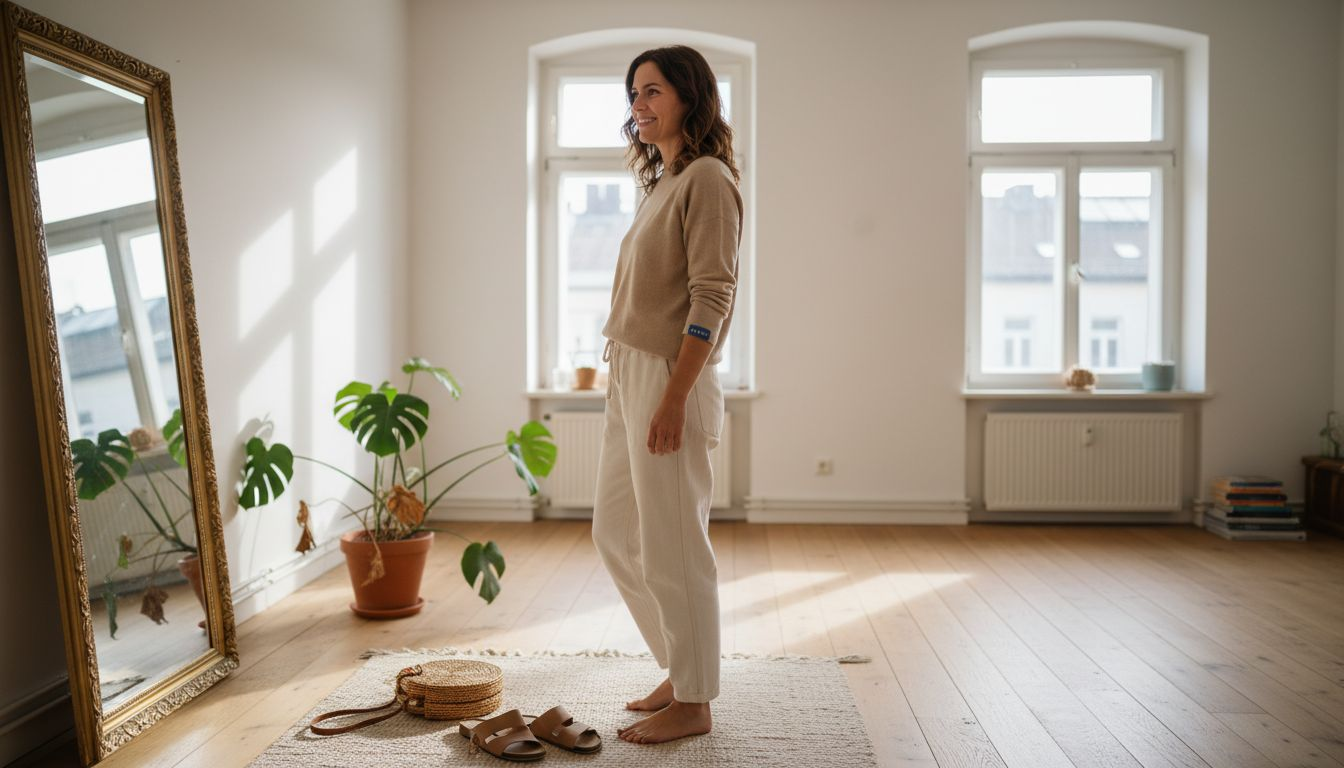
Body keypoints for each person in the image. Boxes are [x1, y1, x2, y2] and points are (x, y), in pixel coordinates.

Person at [591, 44, 743, 746]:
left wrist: (675, 395)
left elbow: (714, 293)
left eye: (652, 91)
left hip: (667, 375)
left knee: (677, 544)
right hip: (629, 369)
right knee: (616, 534)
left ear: (689, 96)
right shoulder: (663, 180)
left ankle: (696, 700)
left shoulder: (707, 177)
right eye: (633, 94)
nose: (638, 106)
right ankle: (682, 670)